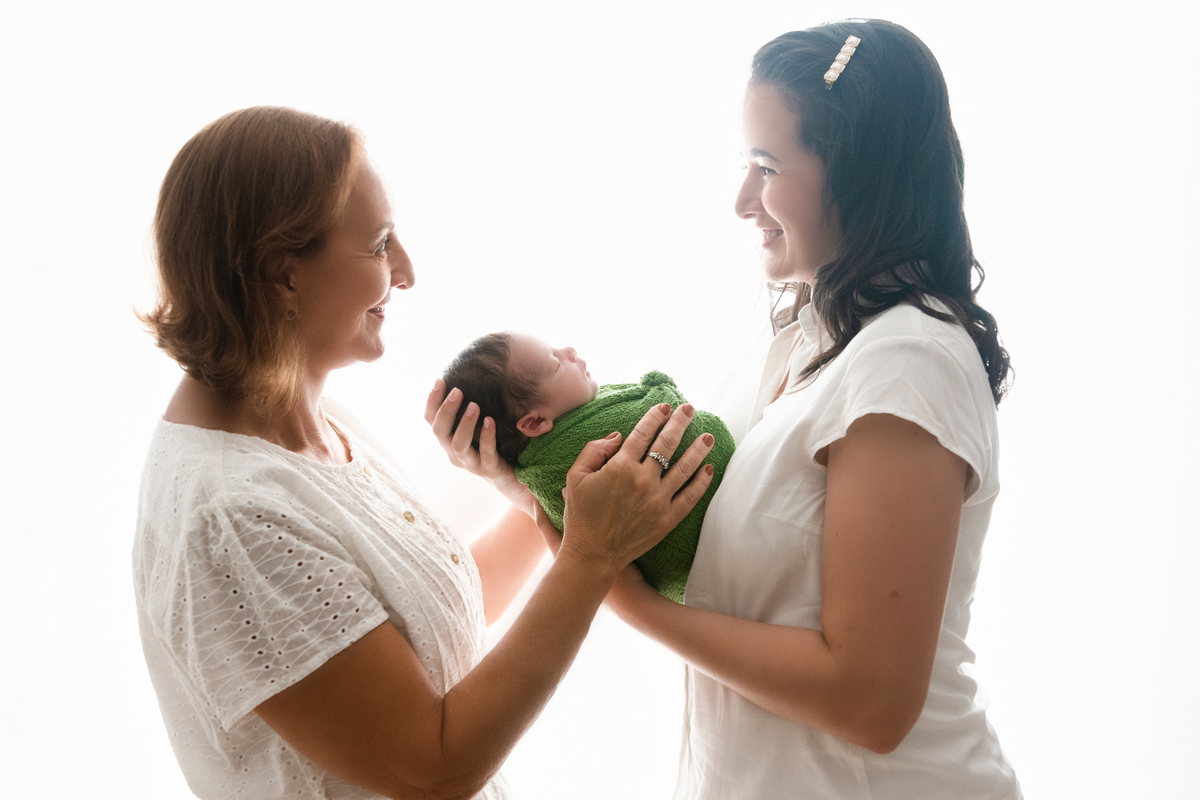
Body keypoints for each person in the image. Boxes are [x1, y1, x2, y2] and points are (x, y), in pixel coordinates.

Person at [431, 17, 1022, 800]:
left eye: (766, 165)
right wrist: (529, 484)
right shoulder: (796, 337)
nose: (743, 198)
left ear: (860, 172)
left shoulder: (906, 363)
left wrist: (627, 603)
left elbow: (872, 702)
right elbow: (674, 529)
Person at [131, 106, 716, 800]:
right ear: (284, 276)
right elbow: (433, 767)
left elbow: (428, 626)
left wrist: (527, 494)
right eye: (379, 245)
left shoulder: (317, 424)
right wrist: (590, 555)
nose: (405, 273)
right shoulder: (231, 516)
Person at [440, 332, 736, 602]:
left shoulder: (576, 419)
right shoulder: (566, 457)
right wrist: (661, 390)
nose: (568, 350)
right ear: (534, 423)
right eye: (555, 363)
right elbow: (663, 405)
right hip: (718, 553)